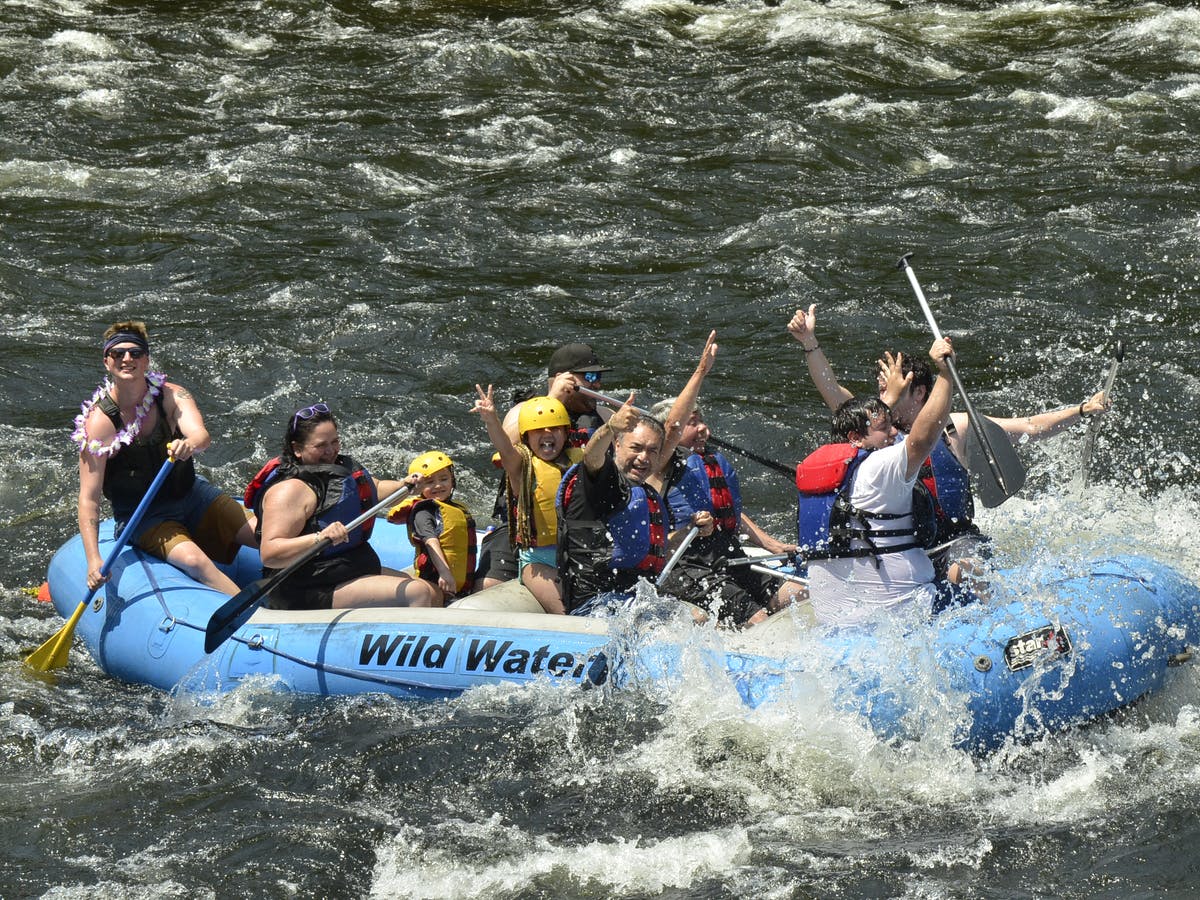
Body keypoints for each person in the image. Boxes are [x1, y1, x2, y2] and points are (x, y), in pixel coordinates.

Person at [787, 304, 1112, 582]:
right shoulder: (876, 433)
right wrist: (809, 342)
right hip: (900, 545)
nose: (885, 398)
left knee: (966, 568)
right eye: (884, 389)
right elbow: (833, 392)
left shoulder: (956, 426)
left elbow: (1029, 427)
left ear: (919, 393)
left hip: (954, 542)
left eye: (895, 388)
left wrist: (1082, 410)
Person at [74, 321, 256, 596]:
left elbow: (201, 436)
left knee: (262, 533)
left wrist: (188, 444)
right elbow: (89, 498)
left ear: (146, 359)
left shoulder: (171, 395)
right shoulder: (99, 423)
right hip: (143, 516)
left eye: (135, 353)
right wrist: (93, 560)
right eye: (118, 353)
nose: (127, 359)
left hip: (191, 494)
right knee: (196, 562)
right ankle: (257, 616)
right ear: (106, 361)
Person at [798, 337, 957, 625]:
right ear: (856, 438)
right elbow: (923, 437)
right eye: (885, 428)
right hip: (906, 617)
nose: (894, 433)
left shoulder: (826, 476)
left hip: (838, 627)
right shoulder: (880, 467)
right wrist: (946, 374)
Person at [557, 334, 718, 615]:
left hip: (634, 599)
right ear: (617, 445)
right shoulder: (603, 480)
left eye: (652, 451)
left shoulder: (645, 487)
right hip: (597, 605)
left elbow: (673, 429)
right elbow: (591, 456)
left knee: (699, 617)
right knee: (695, 618)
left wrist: (691, 530)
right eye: (636, 448)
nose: (644, 457)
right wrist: (610, 428)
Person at [249, 403, 438, 610]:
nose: (330, 450)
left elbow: (378, 489)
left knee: (432, 591)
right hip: (307, 586)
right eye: (321, 446)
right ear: (297, 449)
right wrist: (320, 537)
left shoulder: (339, 469)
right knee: (416, 594)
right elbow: (270, 554)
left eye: (335, 441)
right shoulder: (289, 491)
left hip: (346, 568)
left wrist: (406, 486)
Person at [648, 399, 802, 625]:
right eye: (692, 422)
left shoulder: (709, 460)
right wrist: (702, 370)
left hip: (725, 555)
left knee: (797, 592)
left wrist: (772, 545)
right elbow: (672, 425)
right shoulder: (658, 468)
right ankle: (744, 627)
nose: (702, 428)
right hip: (685, 566)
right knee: (758, 619)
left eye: (701, 421)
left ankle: (739, 627)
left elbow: (727, 512)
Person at [475, 342, 612, 590]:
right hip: (522, 527)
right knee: (486, 586)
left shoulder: (603, 416)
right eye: (590, 377)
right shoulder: (524, 411)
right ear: (563, 378)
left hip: (580, 530)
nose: (597, 384)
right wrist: (554, 398)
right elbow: (506, 448)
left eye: (599, 377)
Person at [472, 391, 583, 614]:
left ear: (565, 433)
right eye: (539, 430)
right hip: (538, 562)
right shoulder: (520, 466)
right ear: (527, 436)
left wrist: (614, 428)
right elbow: (504, 447)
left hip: (578, 554)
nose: (547, 433)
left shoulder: (579, 459)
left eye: (555, 428)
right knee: (567, 610)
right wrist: (491, 419)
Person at [387, 451, 478, 605]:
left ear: (452, 480)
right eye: (429, 482)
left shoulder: (457, 508)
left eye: (444, 479)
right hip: (436, 581)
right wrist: (445, 573)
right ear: (418, 487)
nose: (438, 485)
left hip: (459, 586)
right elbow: (431, 541)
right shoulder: (424, 511)